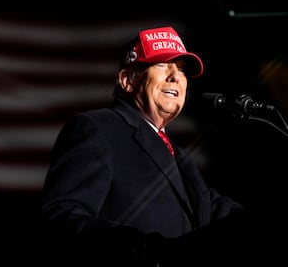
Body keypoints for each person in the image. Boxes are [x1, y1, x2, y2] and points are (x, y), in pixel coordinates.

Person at [41, 26, 244, 267]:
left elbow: (219, 212)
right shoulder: (97, 128)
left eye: (181, 70)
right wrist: (141, 248)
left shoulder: (181, 159)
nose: (175, 76)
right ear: (128, 80)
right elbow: (62, 217)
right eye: (161, 65)